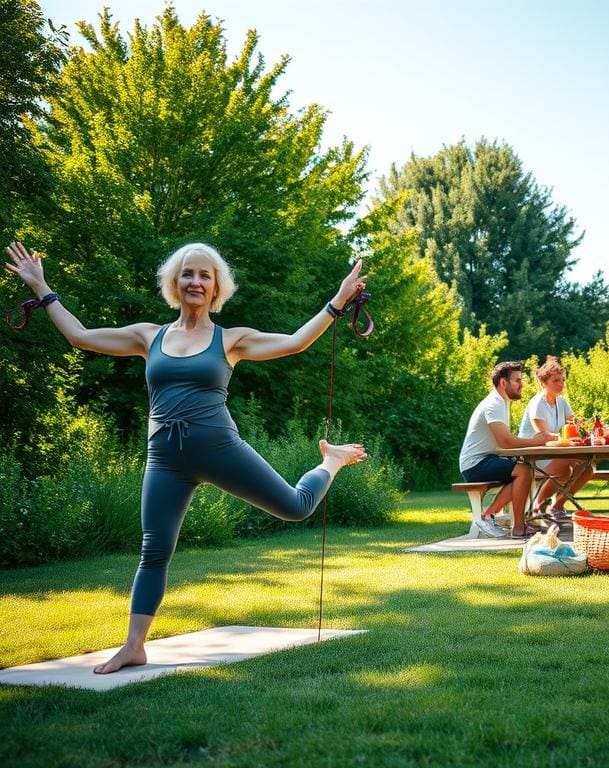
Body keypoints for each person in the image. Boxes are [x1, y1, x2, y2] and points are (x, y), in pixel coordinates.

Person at [4, 240, 369, 673]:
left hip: (221, 450)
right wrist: (43, 289)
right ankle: (134, 646)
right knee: (153, 551)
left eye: (204, 275)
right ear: (174, 284)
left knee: (295, 507)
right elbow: (81, 337)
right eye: (187, 274)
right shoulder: (148, 336)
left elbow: (294, 343)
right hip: (165, 460)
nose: (195, 281)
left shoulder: (231, 339)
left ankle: (330, 460)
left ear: (217, 288)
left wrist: (339, 300)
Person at [459, 361, 553, 538]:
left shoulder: (502, 402)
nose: (521, 384)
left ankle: (490, 516)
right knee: (524, 470)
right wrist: (535, 441)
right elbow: (505, 441)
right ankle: (515, 527)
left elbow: (503, 443)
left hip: (485, 460)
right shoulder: (494, 404)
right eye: (517, 380)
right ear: (503, 383)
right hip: (475, 464)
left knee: (524, 471)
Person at [518, 356, 594, 520]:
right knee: (564, 468)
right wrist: (568, 441)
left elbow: (575, 426)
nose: (561, 384)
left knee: (587, 467)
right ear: (544, 382)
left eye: (562, 380)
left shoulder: (561, 402)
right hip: (532, 454)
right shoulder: (537, 404)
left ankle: (558, 504)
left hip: (553, 452)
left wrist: (588, 428)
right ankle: (538, 506)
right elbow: (544, 437)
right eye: (556, 380)